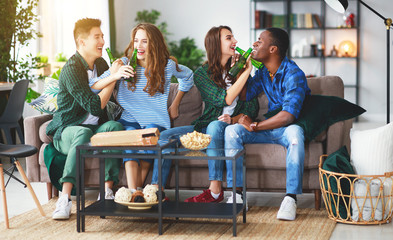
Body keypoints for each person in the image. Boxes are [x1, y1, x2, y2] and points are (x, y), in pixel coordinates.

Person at [150, 26, 258, 204]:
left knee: (215, 125)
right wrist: (246, 72)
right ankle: (157, 190)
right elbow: (223, 100)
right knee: (165, 137)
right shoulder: (202, 74)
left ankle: (215, 191)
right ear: (216, 44)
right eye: (229, 38)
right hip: (206, 128)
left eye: (233, 37)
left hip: (229, 130)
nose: (235, 42)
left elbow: (252, 106)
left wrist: (234, 119)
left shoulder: (241, 69)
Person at [91, 23, 194, 192]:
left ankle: (136, 190)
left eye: (144, 41)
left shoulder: (166, 65)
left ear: (155, 44)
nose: (138, 46)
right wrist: (114, 74)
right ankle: (134, 191)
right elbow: (93, 86)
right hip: (129, 118)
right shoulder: (124, 63)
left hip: (155, 120)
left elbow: (188, 77)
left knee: (149, 134)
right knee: (130, 138)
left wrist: (175, 103)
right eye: (136, 41)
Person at [225, 28, 311, 221]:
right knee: (232, 131)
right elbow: (246, 94)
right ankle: (238, 194)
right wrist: (244, 70)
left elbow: (288, 116)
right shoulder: (264, 72)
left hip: (285, 128)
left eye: (260, 41)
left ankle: (290, 199)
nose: (254, 44)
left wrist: (254, 125)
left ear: (273, 49)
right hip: (267, 128)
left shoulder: (294, 73)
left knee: (296, 134)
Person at [46, 18, 126, 220]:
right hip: (68, 130)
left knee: (115, 126)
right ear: (82, 42)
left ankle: (106, 192)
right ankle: (64, 199)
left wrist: (112, 76)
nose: (102, 41)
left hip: (94, 130)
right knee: (82, 132)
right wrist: (114, 78)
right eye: (97, 37)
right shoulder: (72, 69)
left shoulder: (100, 63)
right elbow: (94, 106)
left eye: (102, 36)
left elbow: (105, 90)